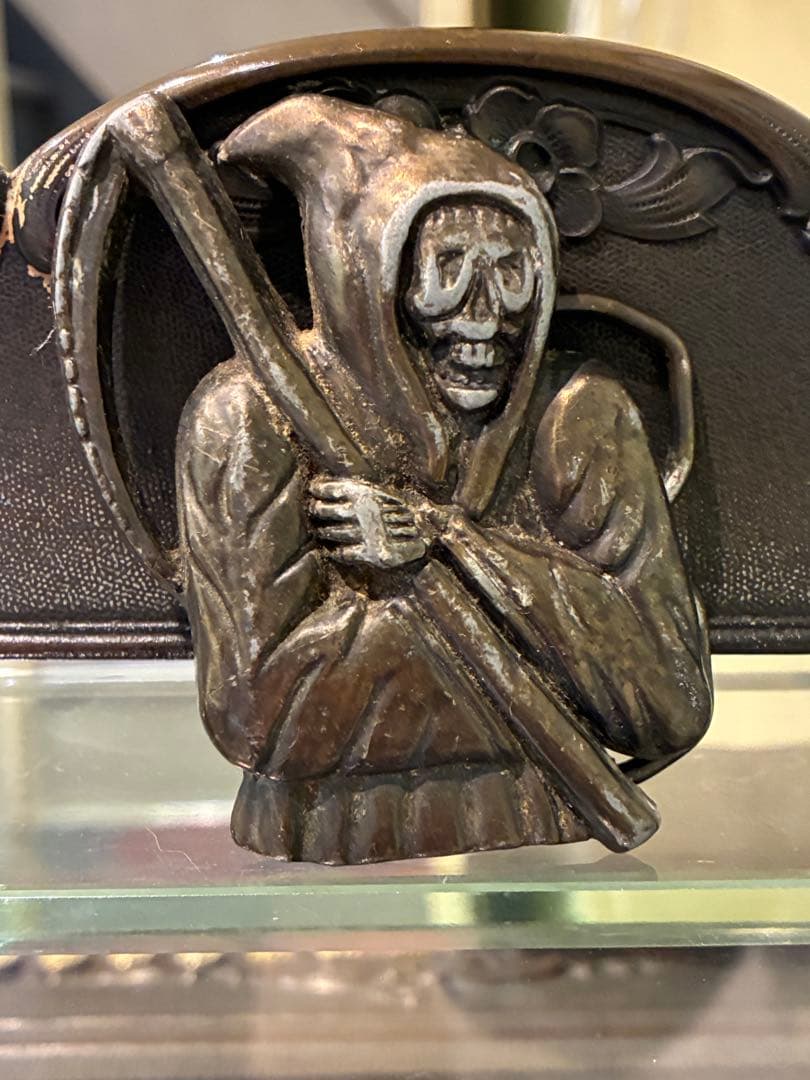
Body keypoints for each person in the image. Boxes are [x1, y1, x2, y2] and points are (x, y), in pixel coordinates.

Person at [176, 95, 712, 864]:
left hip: (552, 834)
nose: (484, 317)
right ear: (372, 276)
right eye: (447, 273)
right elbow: (260, 714)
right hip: (324, 833)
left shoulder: (576, 411)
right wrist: (564, 657)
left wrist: (450, 544)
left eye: (511, 275)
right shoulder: (247, 414)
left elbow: (668, 699)